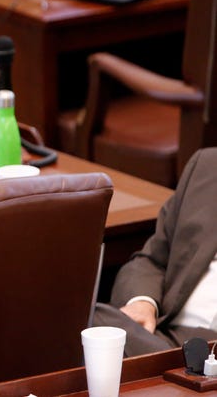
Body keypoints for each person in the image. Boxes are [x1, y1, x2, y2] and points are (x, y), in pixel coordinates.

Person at [93, 147, 217, 357]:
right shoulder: (207, 165)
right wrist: (143, 303)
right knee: (79, 316)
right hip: (163, 335)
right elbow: (152, 260)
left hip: (209, 352)